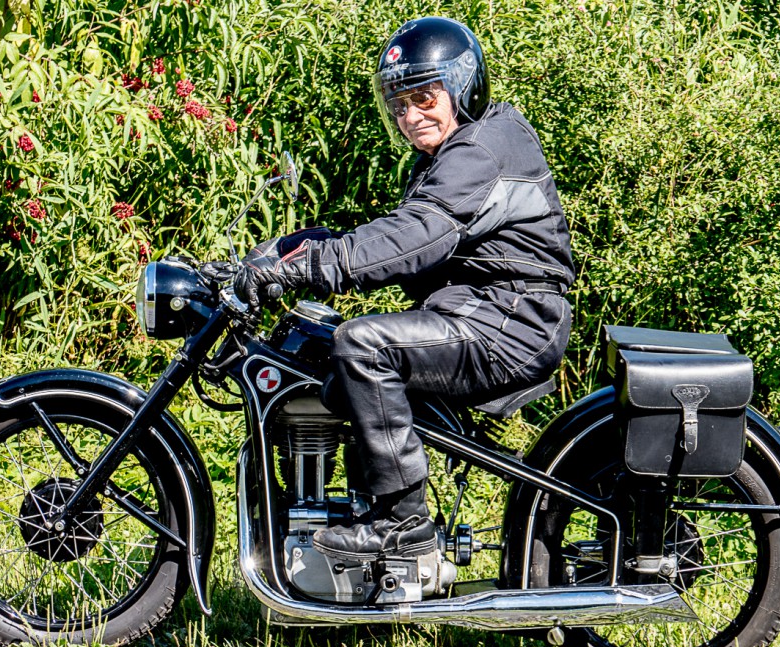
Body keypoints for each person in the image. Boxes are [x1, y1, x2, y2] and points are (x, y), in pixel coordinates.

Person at [236, 16, 574, 561]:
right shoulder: (452, 152)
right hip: (486, 310)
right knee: (328, 351)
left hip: (511, 322)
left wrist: (312, 266)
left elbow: (415, 237)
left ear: (463, 85)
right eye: (398, 103)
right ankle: (360, 521)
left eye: (424, 97)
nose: (410, 116)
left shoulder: (480, 151)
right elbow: (408, 250)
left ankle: (401, 522)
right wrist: (292, 250)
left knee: (362, 345)